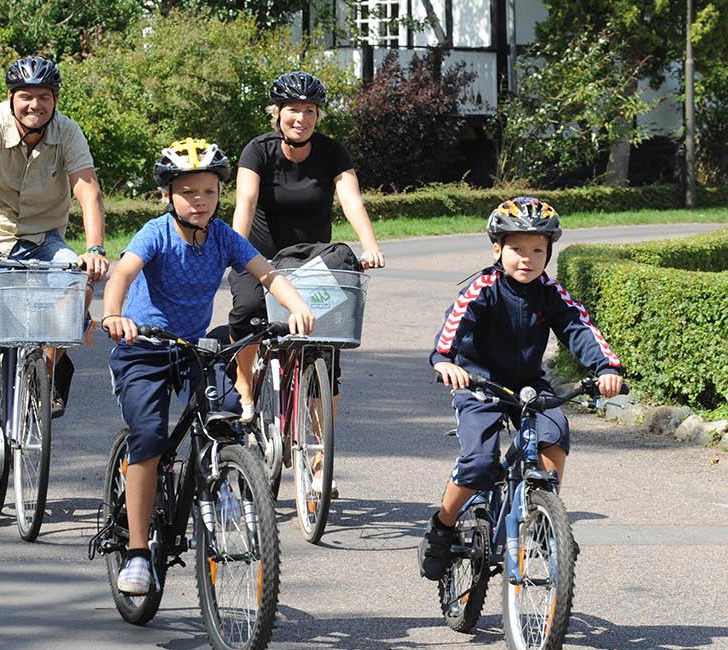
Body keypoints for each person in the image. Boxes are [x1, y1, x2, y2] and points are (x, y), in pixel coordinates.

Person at [101, 137, 314, 596]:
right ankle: (138, 551)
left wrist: (295, 307)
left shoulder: (222, 237)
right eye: (189, 192)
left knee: (225, 420)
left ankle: (223, 484)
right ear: (168, 195)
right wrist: (114, 314)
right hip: (143, 345)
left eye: (210, 192)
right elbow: (122, 273)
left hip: (193, 347)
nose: (200, 201)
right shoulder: (156, 233)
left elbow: (268, 273)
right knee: (151, 437)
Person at [418, 197, 625, 581]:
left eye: (537, 250)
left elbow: (579, 328)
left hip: (529, 385)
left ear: (548, 253)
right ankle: (442, 527)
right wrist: (444, 360)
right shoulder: (484, 288)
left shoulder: (551, 292)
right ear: (497, 249)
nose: (526, 259)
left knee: (554, 435)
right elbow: (455, 325)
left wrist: (607, 368)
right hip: (479, 382)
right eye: (516, 249)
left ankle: (545, 514)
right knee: (480, 464)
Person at [0, 55, 110, 497]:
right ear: (12, 99)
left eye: (43, 97)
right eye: (26, 97)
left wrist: (94, 249)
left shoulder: (69, 132)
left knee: (76, 284)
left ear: (54, 100)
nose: (34, 105)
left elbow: (87, 190)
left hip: (44, 239)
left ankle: (46, 371)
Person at [227, 70, 385, 418]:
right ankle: (243, 383)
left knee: (327, 338)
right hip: (261, 258)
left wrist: (369, 245)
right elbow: (247, 202)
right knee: (248, 310)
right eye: (293, 110)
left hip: (313, 263)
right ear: (277, 113)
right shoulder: (258, 150)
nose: (301, 118)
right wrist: (235, 248)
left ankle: (318, 445)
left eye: (309, 110)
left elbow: (352, 200)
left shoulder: (332, 152)